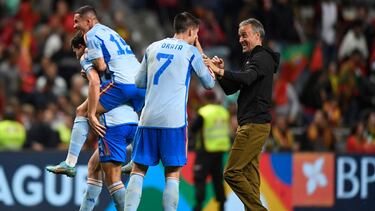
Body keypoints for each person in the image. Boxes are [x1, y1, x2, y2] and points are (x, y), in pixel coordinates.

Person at [124, 12, 215, 211]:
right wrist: (201, 54)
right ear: (191, 31)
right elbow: (209, 83)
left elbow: (138, 82)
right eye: (196, 34)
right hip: (173, 122)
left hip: (147, 119)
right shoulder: (190, 52)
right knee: (172, 174)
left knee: (138, 170)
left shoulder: (152, 47)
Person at [46, 5, 145, 177]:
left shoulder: (90, 35)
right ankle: (137, 160)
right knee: (138, 118)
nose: (75, 26)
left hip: (123, 85)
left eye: (77, 22)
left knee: (82, 111)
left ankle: (70, 163)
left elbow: (100, 68)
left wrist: (92, 113)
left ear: (89, 21)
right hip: (141, 85)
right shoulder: (111, 32)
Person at [205, 18, 279, 211]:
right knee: (249, 177)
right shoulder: (254, 59)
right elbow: (232, 89)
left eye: (244, 35)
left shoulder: (261, 57)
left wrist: (220, 70)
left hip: (253, 124)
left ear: (257, 35)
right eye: (239, 36)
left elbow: (246, 78)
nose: (240, 39)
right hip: (255, 124)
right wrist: (219, 73)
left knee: (232, 173)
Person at [191, 90, 230, 211]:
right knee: (218, 179)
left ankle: (198, 205)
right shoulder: (224, 112)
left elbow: (193, 128)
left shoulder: (204, 112)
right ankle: (222, 205)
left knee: (200, 178)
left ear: (205, 100)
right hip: (219, 151)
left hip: (205, 150)